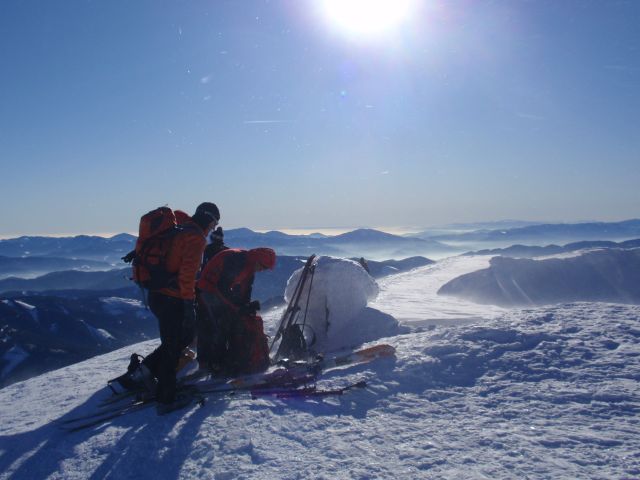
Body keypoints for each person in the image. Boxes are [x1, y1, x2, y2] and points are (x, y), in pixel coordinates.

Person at [119, 202, 220, 414]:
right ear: (209, 219)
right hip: (172, 298)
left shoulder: (181, 227)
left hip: (157, 295)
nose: (213, 228)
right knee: (173, 346)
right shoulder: (195, 238)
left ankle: (143, 373)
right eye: (214, 223)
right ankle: (166, 398)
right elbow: (187, 276)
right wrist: (188, 304)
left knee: (179, 340)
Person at [196, 247, 276, 375]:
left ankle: (228, 360)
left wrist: (246, 307)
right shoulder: (237, 260)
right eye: (263, 266)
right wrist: (238, 308)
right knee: (220, 324)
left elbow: (245, 290)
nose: (262, 270)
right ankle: (214, 364)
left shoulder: (249, 266)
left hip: (218, 290)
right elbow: (222, 287)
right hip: (207, 289)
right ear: (257, 260)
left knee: (232, 321)